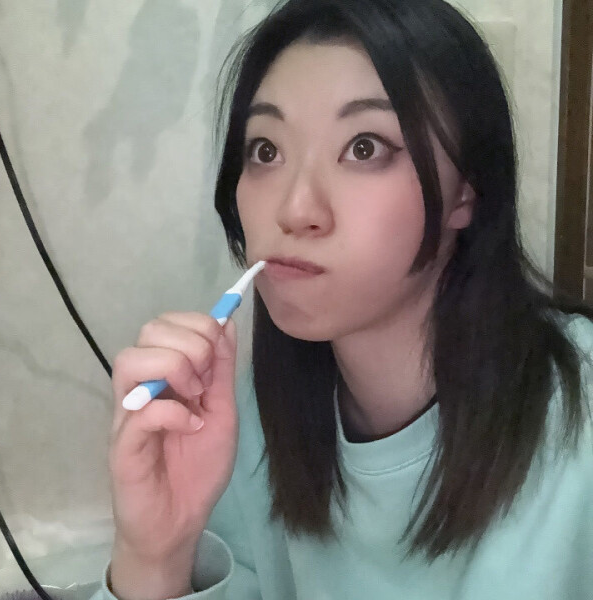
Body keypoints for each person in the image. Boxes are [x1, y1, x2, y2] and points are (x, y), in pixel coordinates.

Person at [93, 0, 593, 598]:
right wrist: (154, 556)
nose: (294, 209)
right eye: (266, 151)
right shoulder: (237, 427)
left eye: (364, 147)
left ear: (466, 191)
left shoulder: (579, 427)